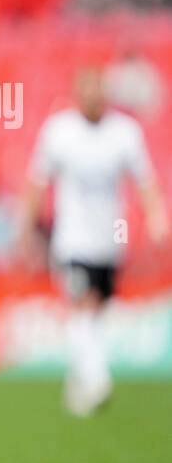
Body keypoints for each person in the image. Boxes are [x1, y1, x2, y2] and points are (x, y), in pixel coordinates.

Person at [18, 67, 167, 416]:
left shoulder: (125, 133)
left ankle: (80, 380)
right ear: (76, 94)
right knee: (81, 302)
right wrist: (25, 230)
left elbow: (144, 181)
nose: (93, 99)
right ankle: (98, 379)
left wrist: (157, 218)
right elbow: (37, 182)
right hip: (72, 240)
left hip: (110, 240)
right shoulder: (59, 131)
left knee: (97, 310)